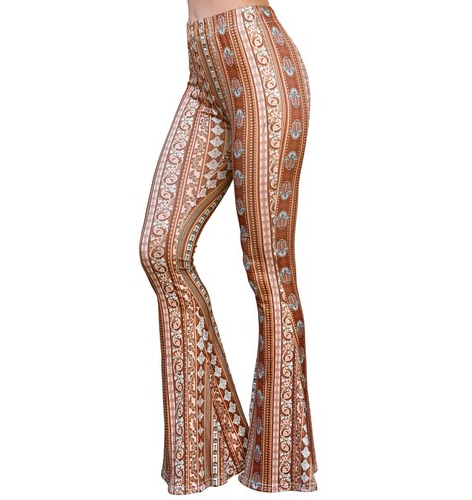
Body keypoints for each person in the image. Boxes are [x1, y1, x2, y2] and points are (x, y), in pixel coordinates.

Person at [139, 0, 318, 494]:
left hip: (256, 58)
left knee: (269, 272)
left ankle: (280, 469)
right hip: (202, 69)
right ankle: (212, 451)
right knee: (161, 250)